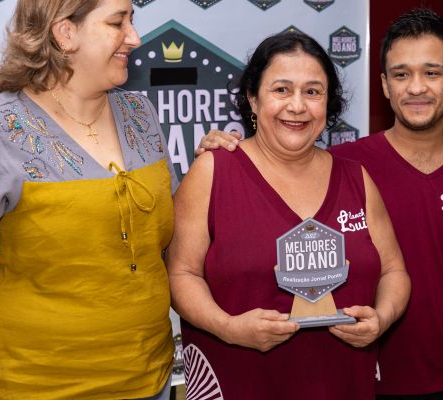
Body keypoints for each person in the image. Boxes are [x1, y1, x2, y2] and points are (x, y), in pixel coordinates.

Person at [199, 9, 443, 400]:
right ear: (384, 85)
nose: (416, 87)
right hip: (358, 375)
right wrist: (224, 150)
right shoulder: (344, 166)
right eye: (401, 74)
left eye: (432, 72)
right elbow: (271, 176)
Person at [167, 31, 410, 400]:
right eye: (281, 90)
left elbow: (394, 271)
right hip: (240, 382)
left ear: (328, 103)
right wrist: (228, 327)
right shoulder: (214, 172)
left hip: (342, 384)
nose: (297, 106)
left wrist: (383, 317)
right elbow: (181, 274)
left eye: (313, 92)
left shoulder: (356, 178)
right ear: (253, 98)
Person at [0, 1, 177, 399]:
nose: (134, 37)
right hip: (36, 386)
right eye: (117, 22)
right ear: (65, 32)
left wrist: (219, 164)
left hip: (151, 378)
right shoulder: (0, 128)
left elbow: (174, 235)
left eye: (132, 20)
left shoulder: (140, 113)